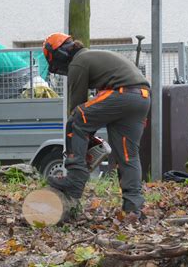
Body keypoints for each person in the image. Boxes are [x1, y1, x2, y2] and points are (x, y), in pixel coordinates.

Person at [42, 32, 151, 216]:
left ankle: (75, 179)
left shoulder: (79, 61)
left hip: (122, 93)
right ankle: (134, 208)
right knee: (128, 155)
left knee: (76, 119)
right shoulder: (91, 57)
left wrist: (81, 143)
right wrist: (86, 137)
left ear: (60, 54)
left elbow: (77, 109)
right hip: (141, 97)